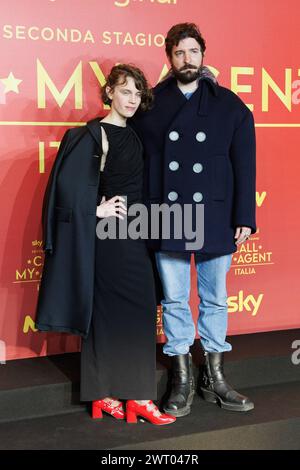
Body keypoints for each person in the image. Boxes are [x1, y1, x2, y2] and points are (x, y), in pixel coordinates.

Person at [35, 64, 176, 426]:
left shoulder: (138, 135)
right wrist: (95, 208)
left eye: (137, 93)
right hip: (109, 235)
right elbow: (66, 190)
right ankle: (129, 397)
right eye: (125, 91)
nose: (131, 99)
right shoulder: (92, 135)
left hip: (137, 230)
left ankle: (111, 394)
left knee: (136, 309)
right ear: (110, 92)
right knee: (109, 313)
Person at [130, 23, 257, 417]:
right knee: (174, 299)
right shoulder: (150, 103)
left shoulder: (229, 104)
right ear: (169, 57)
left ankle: (215, 378)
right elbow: (135, 162)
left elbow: (244, 166)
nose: (187, 59)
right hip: (167, 215)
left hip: (215, 214)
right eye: (179, 53)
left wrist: (245, 217)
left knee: (215, 299)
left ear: (204, 54)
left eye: (193, 51)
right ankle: (182, 379)